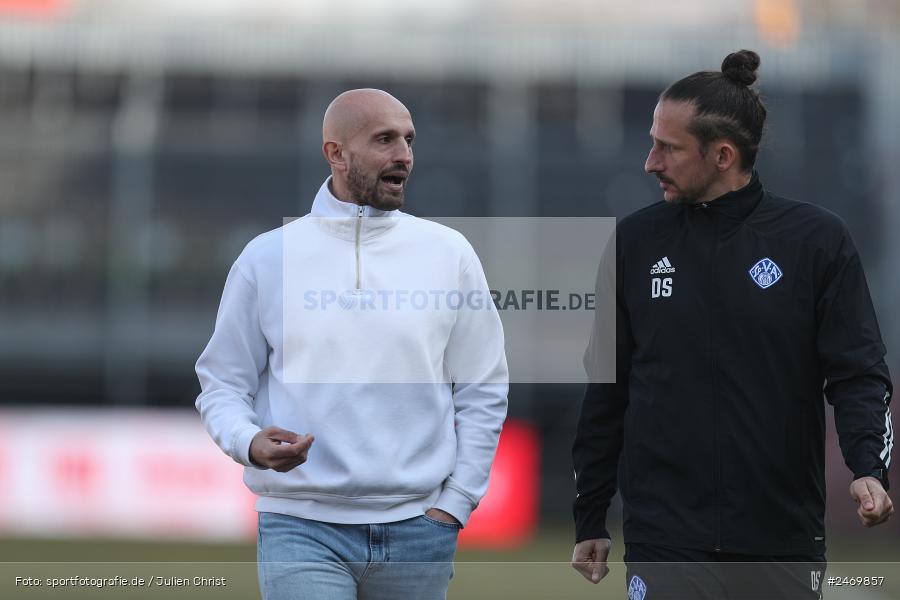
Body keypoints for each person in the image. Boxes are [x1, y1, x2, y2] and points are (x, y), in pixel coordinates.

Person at [571, 50, 893, 599]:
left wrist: (868, 465)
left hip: (781, 537)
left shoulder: (815, 241)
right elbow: (608, 389)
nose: (650, 161)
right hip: (664, 537)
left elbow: (859, 372)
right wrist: (591, 515)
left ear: (722, 154)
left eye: (667, 147)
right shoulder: (634, 242)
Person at [195, 88, 508, 600]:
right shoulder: (267, 258)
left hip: (420, 532)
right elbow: (222, 382)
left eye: (408, 140)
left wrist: (456, 503)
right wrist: (248, 443)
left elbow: (483, 388)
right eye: (384, 139)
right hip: (300, 527)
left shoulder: (448, 253)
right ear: (335, 153)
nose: (403, 155)